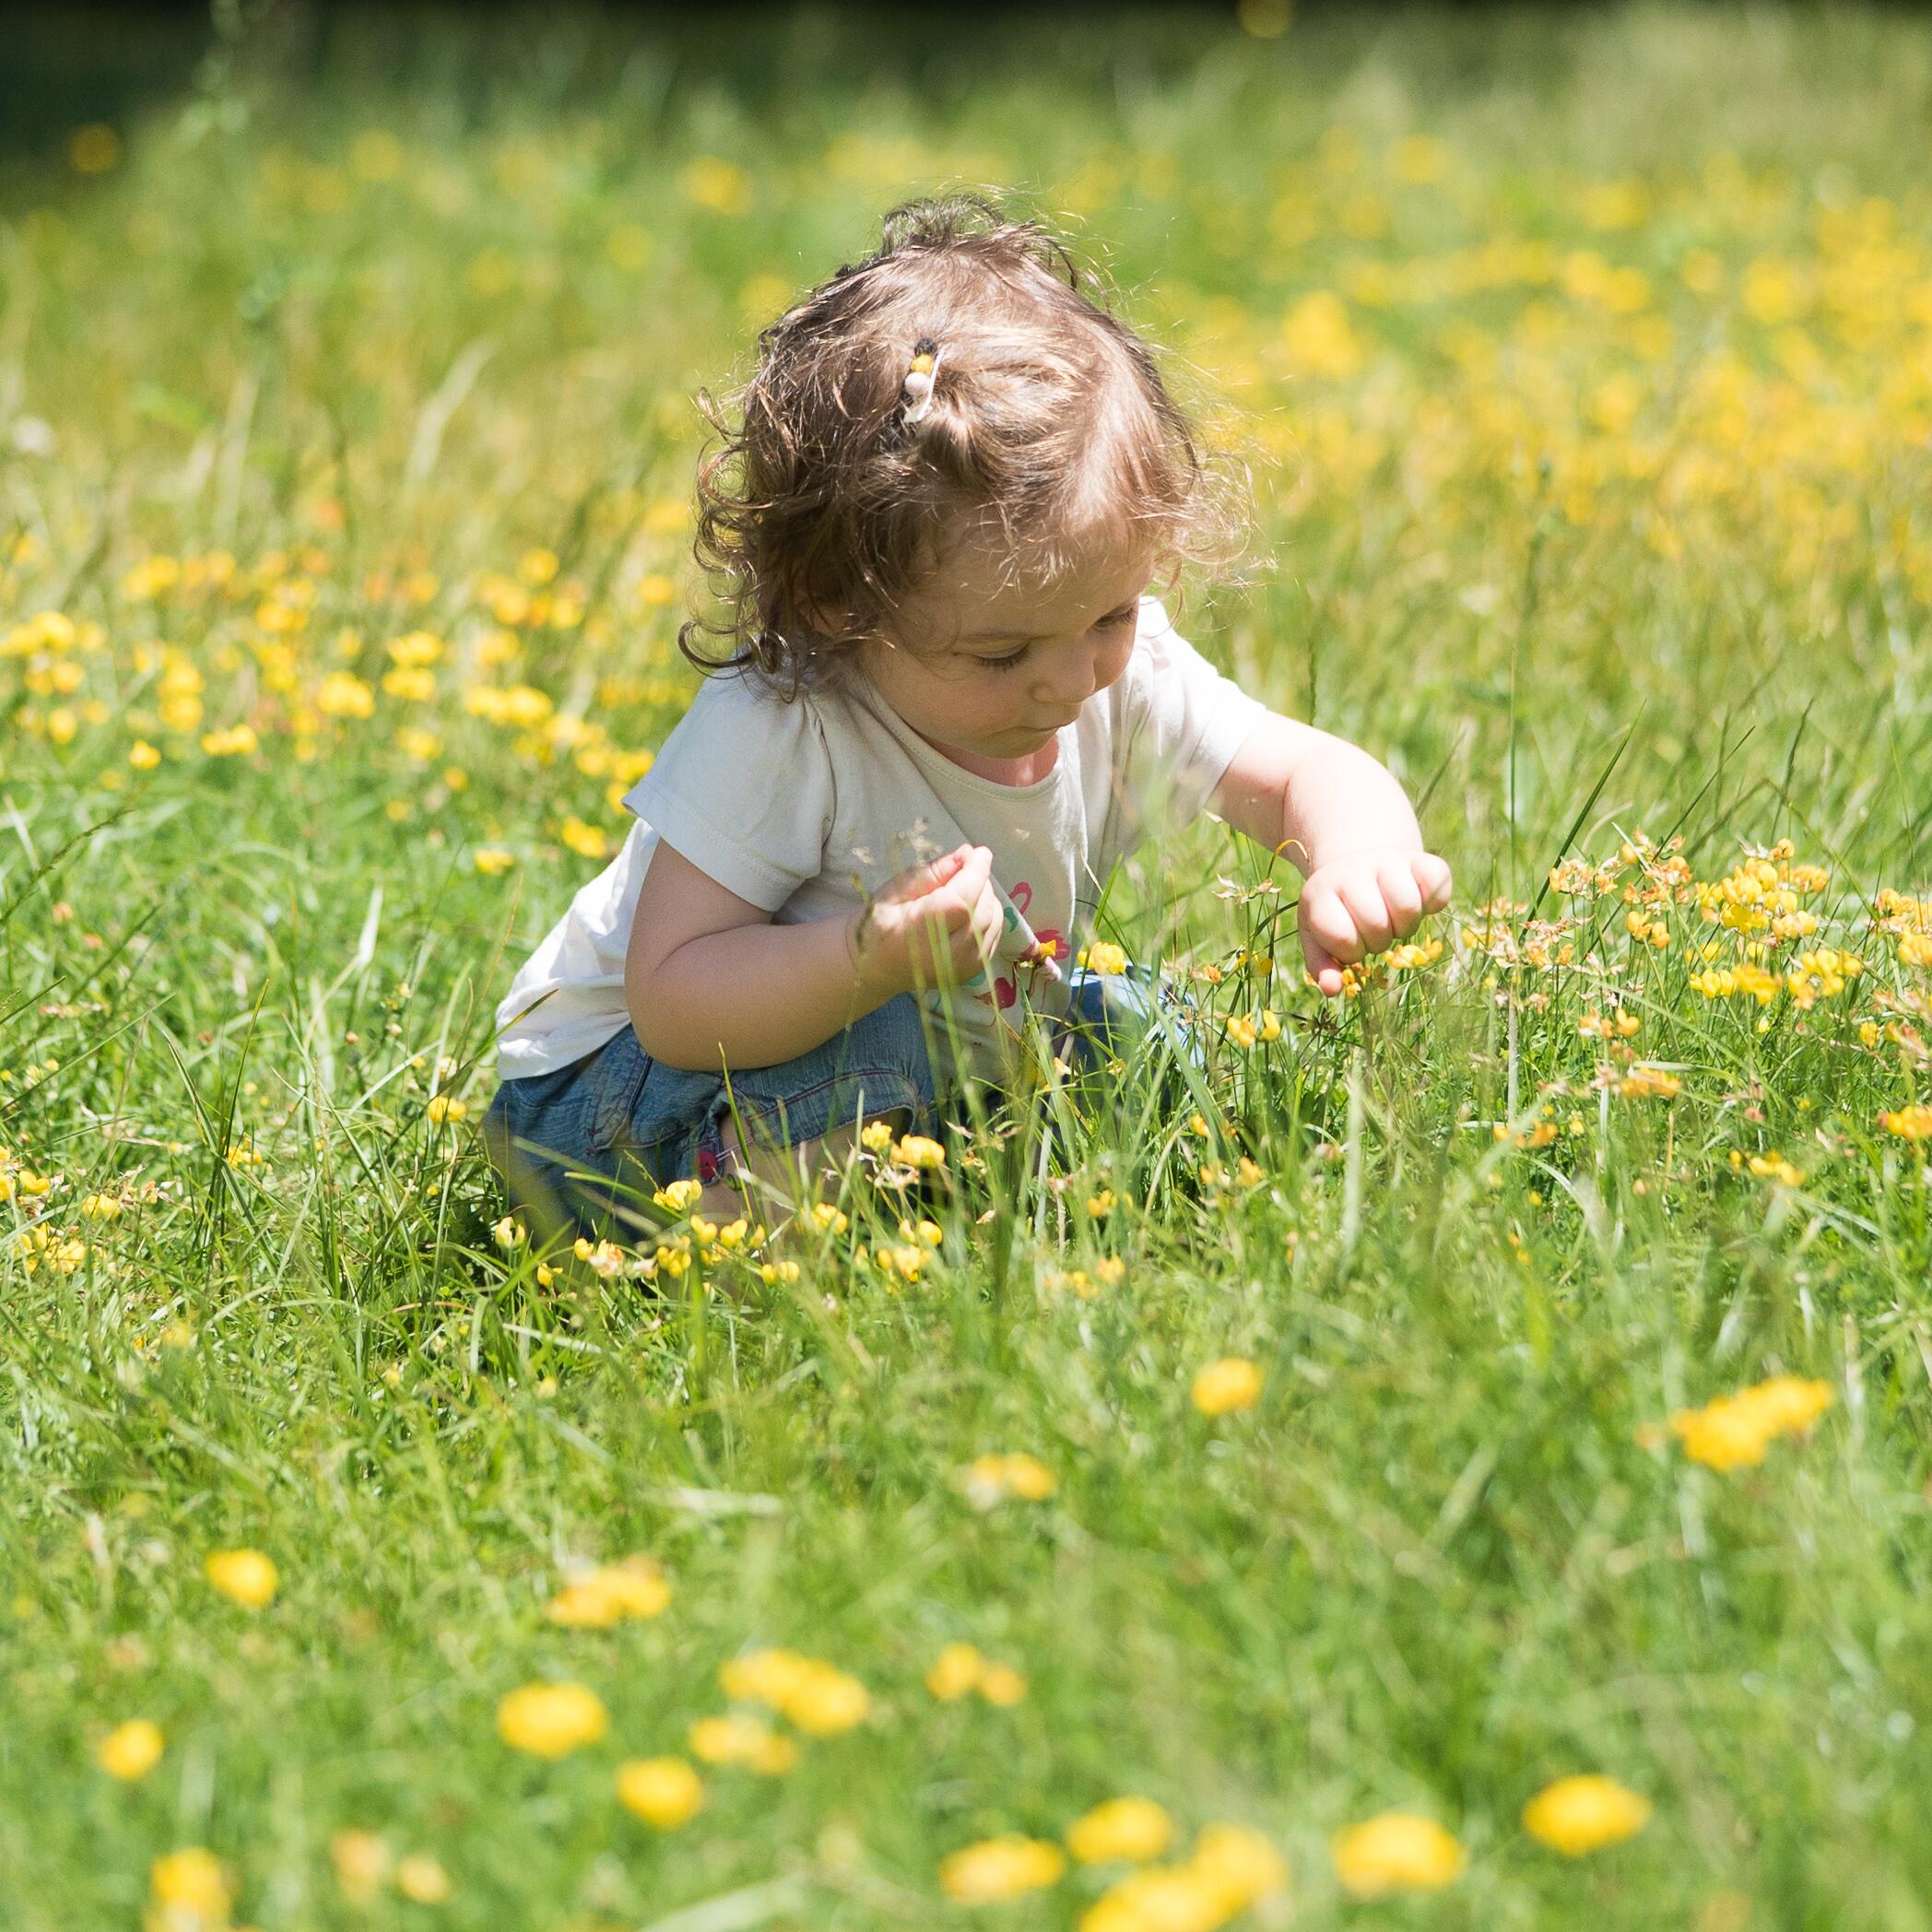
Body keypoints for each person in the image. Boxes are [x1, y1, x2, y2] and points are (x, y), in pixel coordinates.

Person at [483, 193, 1451, 1249]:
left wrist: (1356, 855)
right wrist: (863, 956)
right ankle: (729, 1241)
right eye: (999, 655)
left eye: (1110, 615)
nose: (1067, 680)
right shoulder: (786, 725)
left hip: (909, 1050)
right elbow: (672, 997)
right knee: (894, 1032)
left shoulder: (1100, 662)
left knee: (1139, 1028)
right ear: (840, 607)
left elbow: (1296, 770)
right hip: (611, 1100)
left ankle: (934, 1183)